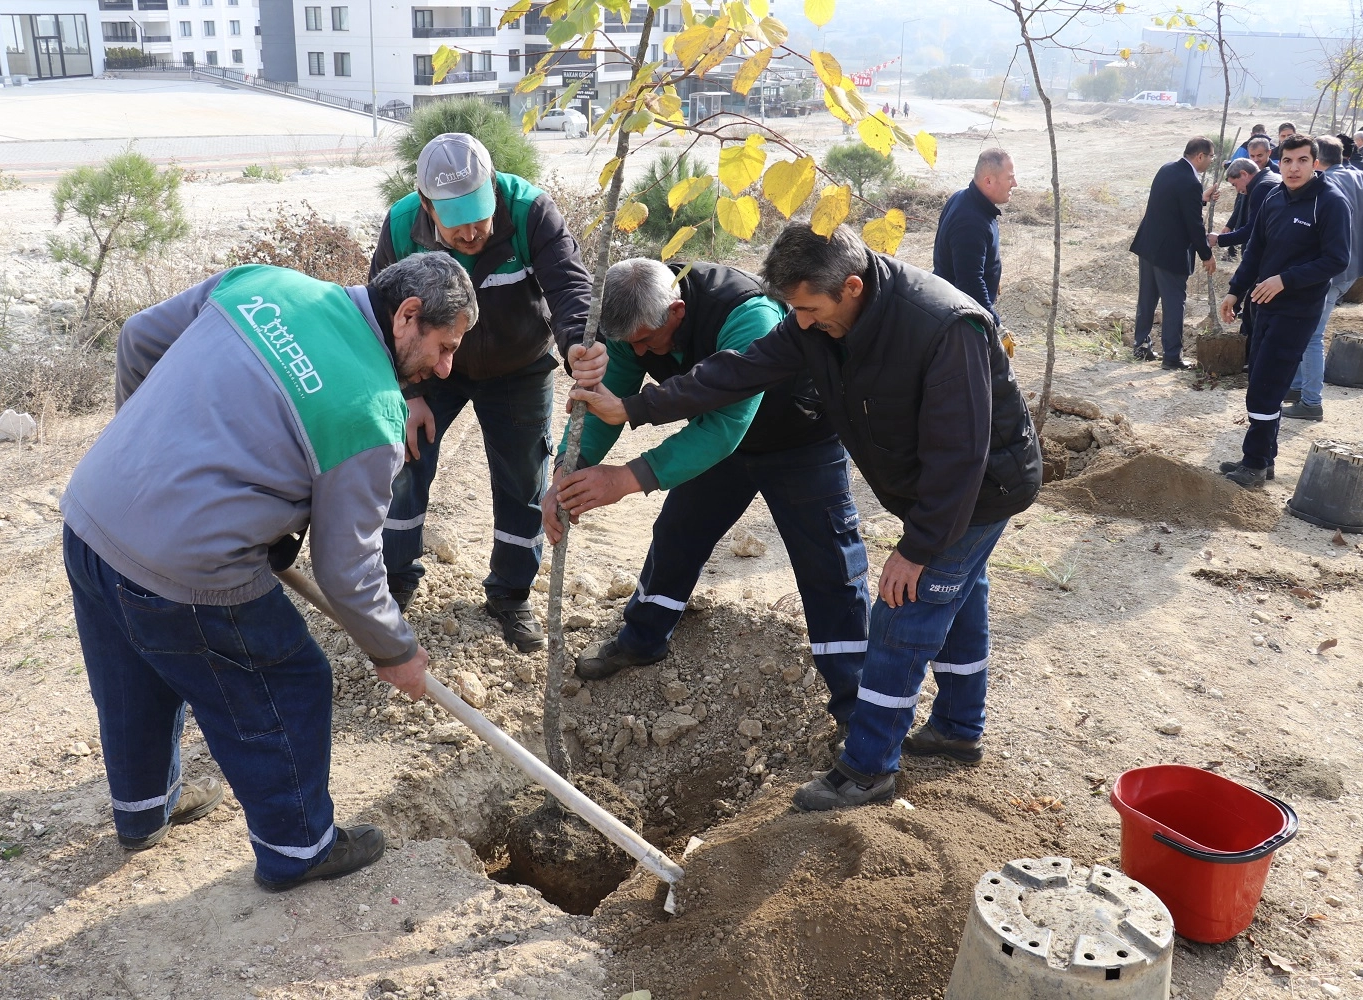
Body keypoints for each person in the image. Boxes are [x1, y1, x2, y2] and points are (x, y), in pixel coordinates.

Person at [569, 222, 1042, 811]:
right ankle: (957, 730)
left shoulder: (943, 327)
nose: (799, 321)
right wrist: (637, 407)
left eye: (808, 308)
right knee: (960, 595)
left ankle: (867, 769)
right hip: (944, 487)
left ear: (849, 287)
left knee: (904, 612)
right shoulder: (815, 323)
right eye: (794, 308)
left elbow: (961, 454)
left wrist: (917, 548)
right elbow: (734, 372)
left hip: (981, 488)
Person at [60, 254, 477, 890]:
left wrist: (148, 457)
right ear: (407, 316)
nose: (446, 369)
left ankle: (141, 814)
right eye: (445, 347)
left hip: (92, 513)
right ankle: (298, 846)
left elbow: (138, 338)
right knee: (292, 680)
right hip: (185, 568)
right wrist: (396, 650)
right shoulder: (369, 414)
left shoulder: (261, 284)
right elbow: (347, 571)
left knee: (133, 665)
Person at [546, 258, 870, 737]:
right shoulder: (634, 318)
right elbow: (603, 402)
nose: (636, 351)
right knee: (678, 534)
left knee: (830, 568)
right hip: (717, 440)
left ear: (676, 312)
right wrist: (563, 474)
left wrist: (626, 478)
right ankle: (643, 639)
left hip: (801, 439)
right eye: (627, 342)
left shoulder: (748, 314)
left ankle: (856, 709)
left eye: (643, 341)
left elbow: (725, 426)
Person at [369, 132, 603, 653]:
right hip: (432, 367)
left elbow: (569, 288)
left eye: (481, 214)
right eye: (457, 223)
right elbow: (385, 316)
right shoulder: (403, 224)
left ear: (494, 187)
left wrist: (579, 347)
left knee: (524, 477)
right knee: (403, 461)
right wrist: (407, 394)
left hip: (519, 366)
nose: (474, 231)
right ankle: (396, 579)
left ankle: (510, 593)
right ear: (429, 208)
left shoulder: (531, 212)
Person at [1218, 135, 1351, 488]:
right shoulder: (1275, 197)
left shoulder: (1330, 203)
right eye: (1288, 161)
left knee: (1266, 385)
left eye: (1302, 161)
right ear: (1280, 162)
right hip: (1262, 306)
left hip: (1297, 310)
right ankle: (1264, 458)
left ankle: (1255, 464)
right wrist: (1235, 292)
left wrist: (1286, 280)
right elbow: (1255, 251)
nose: (1294, 168)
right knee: (1263, 381)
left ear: (1314, 163)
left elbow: (1337, 259)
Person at [1282, 135, 1363, 420]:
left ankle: (1311, 402)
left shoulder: (1326, 185)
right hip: (1349, 269)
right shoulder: (1362, 177)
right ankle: (1297, 387)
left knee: (1311, 334)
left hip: (1327, 269)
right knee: (1306, 329)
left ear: (1316, 161)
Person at [1129, 137, 1218, 367]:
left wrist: (1201, 200)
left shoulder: (1167, 168)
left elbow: (1173, 205)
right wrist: (1206, 255)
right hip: (1170, 253)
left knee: (1147, 299)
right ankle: (1172, 357)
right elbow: (1193, 224)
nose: (1211, 161)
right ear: (1200, 156)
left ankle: (1141, 346)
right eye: (1210, 157)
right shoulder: (1190, 182)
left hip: (1149, 245)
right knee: (1174, 303)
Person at [933, 149, 1017, 321]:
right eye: (1009, 178)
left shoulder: (963, 198)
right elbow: (970, 285)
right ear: (988, 181)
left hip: (954, 307)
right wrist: (995, 326)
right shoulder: (971, 222)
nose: (1014, 183)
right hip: (957, 316)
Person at [1209, 156, 1282, 343]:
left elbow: (1253, 231)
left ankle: (1250, 356)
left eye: (1235, 185)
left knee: (1254, 307)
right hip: (1274, 257)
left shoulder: (1261, 188)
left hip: (1270, 259)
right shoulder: (1270, 180)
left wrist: (1220, 239)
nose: (1237, 191)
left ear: (1244, 174)